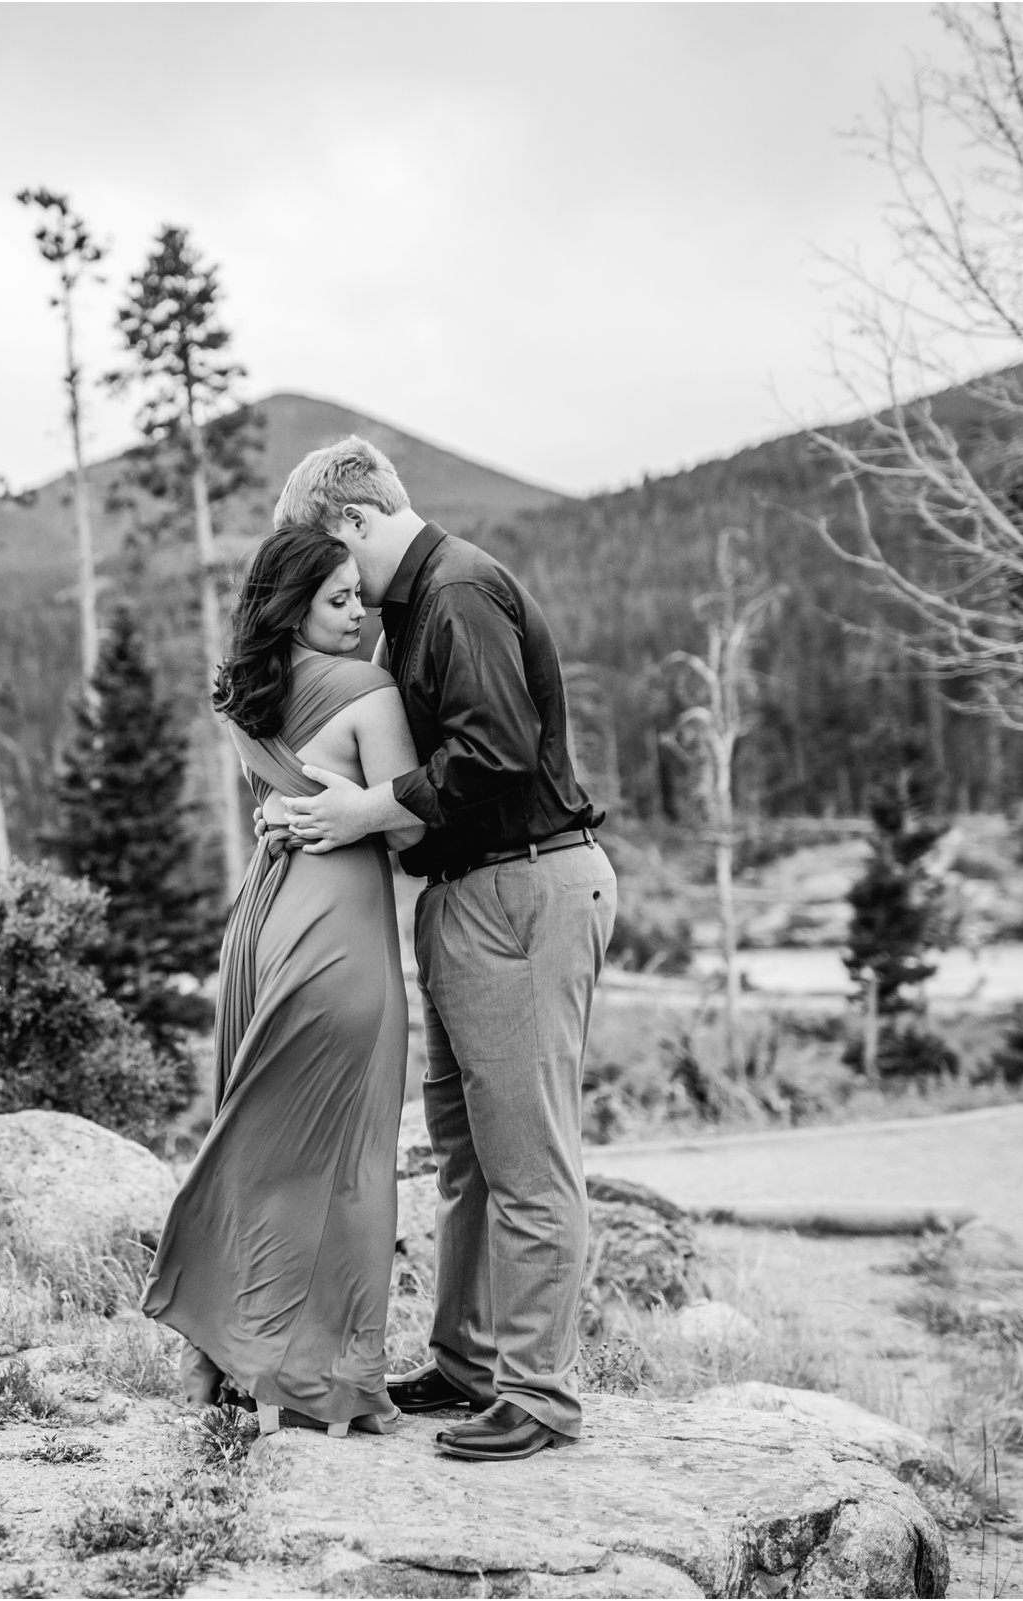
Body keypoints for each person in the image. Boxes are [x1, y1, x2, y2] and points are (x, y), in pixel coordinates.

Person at [278, 436, 615, 1463]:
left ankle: (538, 1394)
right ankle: (469, 1362)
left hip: (519, 886)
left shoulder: (457, 592)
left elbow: (495, 751)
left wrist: (368, 807)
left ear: (346, 520)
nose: (321, 575)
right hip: (473, 895)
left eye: (314, 548)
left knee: (524, 1155)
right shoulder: (416, 610)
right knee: (468, 1155)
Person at [141, 523, 421, 1437]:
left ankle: (212, 1355)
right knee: (347, 1154)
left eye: (358, 596)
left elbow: (279, 802)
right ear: (293, 603)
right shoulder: (369, 690)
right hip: (338, 924)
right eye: (338, 599)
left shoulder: (242, 696)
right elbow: (409, 829)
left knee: (256, 1133)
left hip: (263, 917)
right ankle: (327, 1380)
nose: (357, 614)